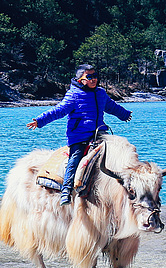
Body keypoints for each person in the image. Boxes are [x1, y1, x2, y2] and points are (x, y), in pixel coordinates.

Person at [27, 64, 133, 205]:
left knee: (117, 152)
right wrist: (40, 121)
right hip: (79, 136)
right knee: (75, 158)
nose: (94, 79)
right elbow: (58, 111)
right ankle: (66, 190)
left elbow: (111, 106)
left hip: (99, 134)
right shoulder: (74, 95)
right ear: (80, 79)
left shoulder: (100, 93)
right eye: (89, 77)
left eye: (95, 76)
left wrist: (124, 114)